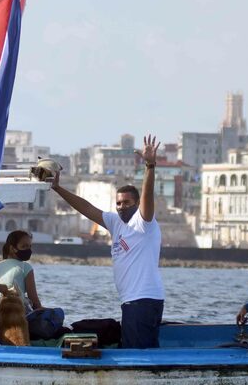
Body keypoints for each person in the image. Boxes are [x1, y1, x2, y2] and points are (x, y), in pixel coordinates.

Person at [50, 135, 165, 349]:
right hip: (131, 301)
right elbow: (86, 208)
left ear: (137, 203)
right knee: (133, 348)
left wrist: (150, 166)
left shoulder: (144, 221)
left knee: (138, 355)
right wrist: (58, 189)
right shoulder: (115, 222)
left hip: (144, 299)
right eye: (118, 203)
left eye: (126, 203)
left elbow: (148, 197)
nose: (121, 207)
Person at [0, 230, 65, 341]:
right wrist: (47, 311)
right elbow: (34, 302)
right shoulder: (26, 267)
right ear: (12, 248)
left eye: (29, 246)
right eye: (24, 246)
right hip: (16, 319)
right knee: (58, 313)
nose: (28, 250)